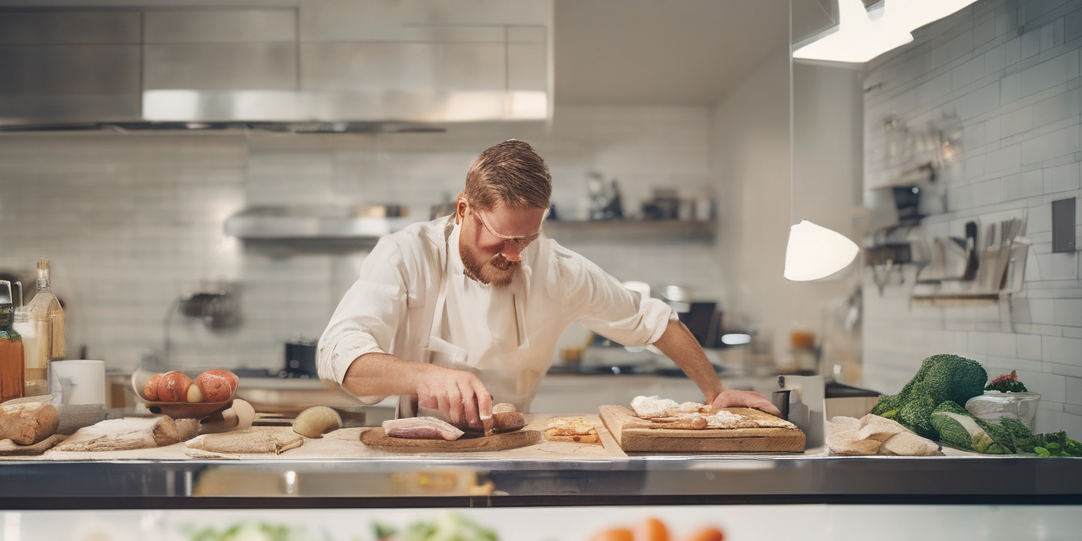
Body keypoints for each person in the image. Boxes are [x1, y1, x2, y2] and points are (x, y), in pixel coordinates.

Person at [317, 140, 779, 429]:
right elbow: (338, 353)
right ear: (463, 210)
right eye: (502, 238)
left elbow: (653, 321)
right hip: (418, 449)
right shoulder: (406, 254)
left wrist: (715, 393)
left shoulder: (559, 270)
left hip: (514, 447)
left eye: (527, 238)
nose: (515, 254)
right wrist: (428, 376)